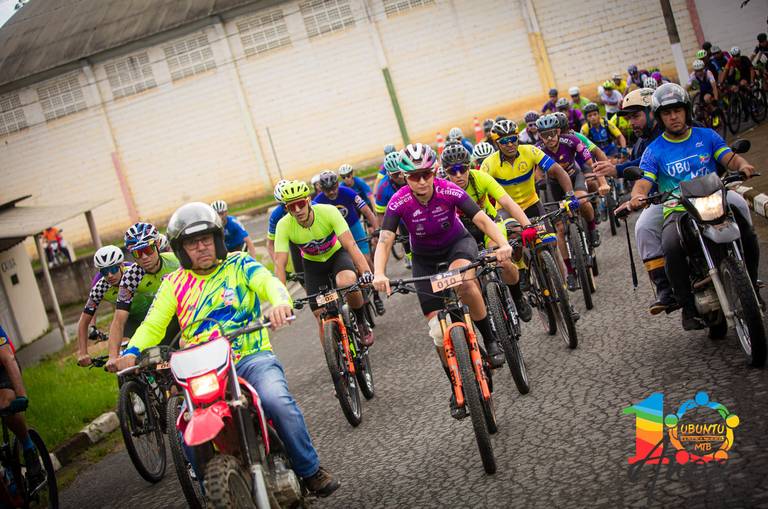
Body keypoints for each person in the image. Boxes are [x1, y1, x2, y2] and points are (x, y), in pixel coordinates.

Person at [113, 203, 340, 497]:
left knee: (276, 400)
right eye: (192, 243)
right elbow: (153, 324)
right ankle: (214, 493)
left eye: (206, 239)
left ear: (217, 239)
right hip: (201, 370)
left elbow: (269, 283)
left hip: (250, 357)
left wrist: (280, 303)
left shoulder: (239, 264)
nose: (201, 247)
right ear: (180, 249)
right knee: (186, 429)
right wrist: (131, 351)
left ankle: (310, 470)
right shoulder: (173, 283)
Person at [372, 142, 514, 413]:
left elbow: (481, 220)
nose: (422, 181)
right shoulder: (398, 201)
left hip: (457, 245)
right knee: (438, 333)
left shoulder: (449, 189)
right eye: (414, 176)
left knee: (464, 283)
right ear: (405, 177)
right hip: (424, 260)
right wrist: (379, 273)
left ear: (435, 171)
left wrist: (502, 244)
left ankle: (490, 338)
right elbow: (385, 239)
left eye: (426, 174)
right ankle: (455, 384)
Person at [621, 84, 757, 328]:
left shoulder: (707, 136)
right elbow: (643, 182)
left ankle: (752, 281)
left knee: (744, 222)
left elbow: (729, 158)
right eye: (667, 113)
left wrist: (743, 166)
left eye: (678, 110)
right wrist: (637, 196)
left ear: (687, 111)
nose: (673, 117)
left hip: (716, 198)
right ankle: (687, 307)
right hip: (678, 209)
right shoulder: (653, 151)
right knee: (671, 245)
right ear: (659, 117)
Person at [440, 143, 534, 321]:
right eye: (453, 171)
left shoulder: (481, 178)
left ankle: (518, 297)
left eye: (463, 169)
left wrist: (527, 225)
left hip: (489, 225)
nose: (459, 175)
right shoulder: (442, 189)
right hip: (462, 234)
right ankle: (484, 312)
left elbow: (507, 203)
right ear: (445, 172)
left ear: (470, 167)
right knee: (468, 279)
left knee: (502, 261)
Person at [273, 181, 375, 346]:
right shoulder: (283, 225)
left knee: (347, 282)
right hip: (313, 264)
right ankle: (334, 353)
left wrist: (365, 272)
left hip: (337, 255)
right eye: (292, 206)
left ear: (308, 201)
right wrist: (281, 300)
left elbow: (350, 245)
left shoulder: (328, 211)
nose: (297, 210)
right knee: (320, 314)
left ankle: (361, 321)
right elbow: (280, 264)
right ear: (286, 209)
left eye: (300, 204)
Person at [536, 115, 607, 290]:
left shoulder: (572, 140)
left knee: (582, 201)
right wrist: (539, 182)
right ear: (540, 136)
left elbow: (592, 162)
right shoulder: (537, 149)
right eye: (545, 135)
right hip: (554, 186)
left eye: (552, 133)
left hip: (575, 177)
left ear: (558, 131)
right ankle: (570, 273)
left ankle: (592, 228)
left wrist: (602, 183)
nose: (549, 138)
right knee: (559, 229)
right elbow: (535, 172)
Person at [104, 222, 181, 372]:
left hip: (180, 320)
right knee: (156, 370)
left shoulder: (176, 262)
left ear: (157, 245)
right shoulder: (130, 278)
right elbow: (119, 320)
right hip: (153, 325)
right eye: (137, 253)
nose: (144, 257)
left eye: (147, 249)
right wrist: (112, 356)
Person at [314, 171, 384, 314]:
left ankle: (376, 294)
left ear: (337, 185)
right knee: (347, 264)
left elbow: (367, 211)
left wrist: (377, 229)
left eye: (334, 188)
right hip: (335, 232)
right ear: (321, 189)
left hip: (353, 227)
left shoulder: (348, 192)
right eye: (327, 190)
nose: (331, 192)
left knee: (365, 260)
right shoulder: (318, 201)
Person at [0, 325, 43, 486]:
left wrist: (21, 395)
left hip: (3, 369)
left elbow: (8, 359)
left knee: (5, 403)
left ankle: (28, 446)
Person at [76, 246, 134, 366]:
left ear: (121, 265)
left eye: (113, 269)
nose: (110, 275)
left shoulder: (134, 272)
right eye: (104, 271)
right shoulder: (100, 287)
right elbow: (84, 321)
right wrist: (83, 353)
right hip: (127, 319)